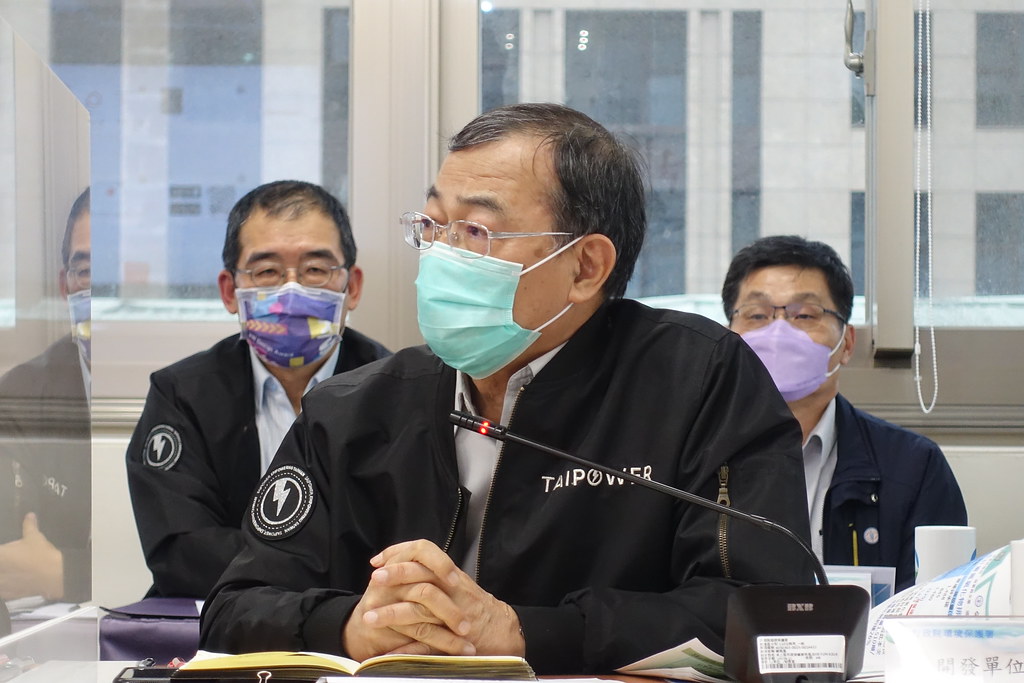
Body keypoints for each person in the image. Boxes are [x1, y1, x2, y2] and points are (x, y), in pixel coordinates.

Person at [200, 104, 816, 674]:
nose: (440, 256)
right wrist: (352, 627)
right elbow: (234, 608)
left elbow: (766, 611)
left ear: (586, 267)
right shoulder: (353, 408)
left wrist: (522, 632)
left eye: (474, 232)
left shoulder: (698, 379)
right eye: (432, 226)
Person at [126, 180, 390, 598]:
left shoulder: (395, 391)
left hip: (357, 626)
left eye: (315, 270)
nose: (291, 291)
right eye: (267, 271)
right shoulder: (181, 394)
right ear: (230, 291)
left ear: (352, 287)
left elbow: (407, 546)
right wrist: (322, 567)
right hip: (219, 624)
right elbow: (182, 551)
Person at [722, 235, 967, 592]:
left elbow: (935, 604)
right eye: (757, 315)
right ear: (727, 337)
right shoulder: (689, 458)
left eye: (804, 315)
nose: (778, 333)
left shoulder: (915, 467)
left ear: (847, 343)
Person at [0, 187, 91, 603]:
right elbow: (14, 559)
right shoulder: (21, 396)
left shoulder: (198, 389)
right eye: (85, 270)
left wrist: (69, 575)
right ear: (64, 286)